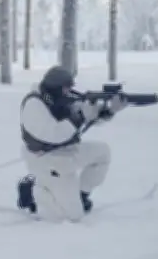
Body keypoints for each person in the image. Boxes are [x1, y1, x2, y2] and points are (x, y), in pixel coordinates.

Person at [16, 65, 128, 222]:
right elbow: (54, 134)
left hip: (68, 153)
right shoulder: (34, 105)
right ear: (54, 88)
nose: (69, 92)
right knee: (71, 217)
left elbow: (88, 117)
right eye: (66, 88)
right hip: (47, 161)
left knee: (102, 153)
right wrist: (81, 116)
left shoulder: (61, 100)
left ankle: (82, 194)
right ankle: (33, 192)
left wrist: (107, 111)